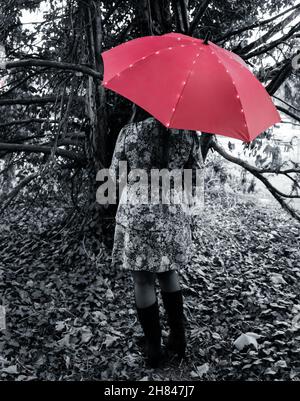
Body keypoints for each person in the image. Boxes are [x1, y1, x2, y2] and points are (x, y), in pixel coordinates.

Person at [108, 106, 204, 368]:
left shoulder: (129, 133)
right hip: (172, 212)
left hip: (138, 213)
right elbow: (195, 177)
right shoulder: (187, 135)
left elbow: (115, 177)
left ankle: (153, 348)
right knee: (168, 271)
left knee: (142, 278)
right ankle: (178, 338)